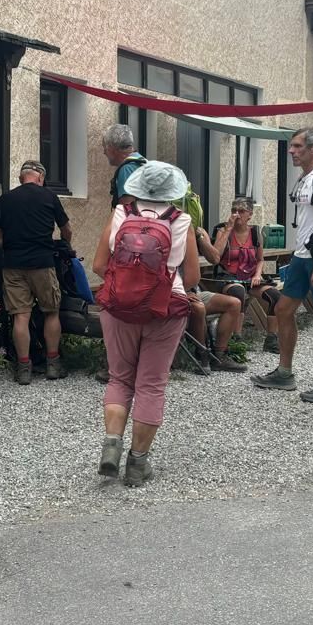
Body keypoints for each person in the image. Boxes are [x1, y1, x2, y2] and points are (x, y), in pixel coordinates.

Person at [93, 161, 196, 487]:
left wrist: (129, 288)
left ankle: (112, 446)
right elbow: (193, 276)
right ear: (172, 191)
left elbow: (99, 265)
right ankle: (137, 464)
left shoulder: (121, 214)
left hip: (119, 308)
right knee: (151, 384)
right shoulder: (182, 221)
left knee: (120, 378)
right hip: (165, 310)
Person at [253, 128, 313, 403]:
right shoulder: (306, 176)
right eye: (291, 146)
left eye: (297, 146)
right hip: (302, 254)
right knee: (283, 309)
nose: (291, 151)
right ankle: (284, 373)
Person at [0, 160, 74, 384]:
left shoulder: (5, 199)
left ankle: (24, 368)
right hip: (43, 263)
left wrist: (12, 247)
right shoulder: (49, 196)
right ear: (40, 178)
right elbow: (66, 229)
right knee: (51, 312)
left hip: (13, 265)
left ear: (21, 178)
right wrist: (64, 244)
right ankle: (53, 364)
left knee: (21, 316)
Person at [193, 196, 269, 372]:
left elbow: (260, 259)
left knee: (274, 296)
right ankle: (236, 337)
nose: (236, 214)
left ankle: (272, 340)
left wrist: (258, 274)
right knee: (237, 292)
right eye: (234, 211)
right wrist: (228, 229)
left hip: (250, 276)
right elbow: (215, 257)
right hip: (227, 277)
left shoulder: (255, 233)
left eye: (241, 211)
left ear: (250, 214)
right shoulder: (223, 230)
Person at [103, 123, 148, 208]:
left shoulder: (126, 170)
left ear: (112, 148)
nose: (104, 152)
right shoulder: (142, 162)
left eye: (104, 147)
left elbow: (127, 210)